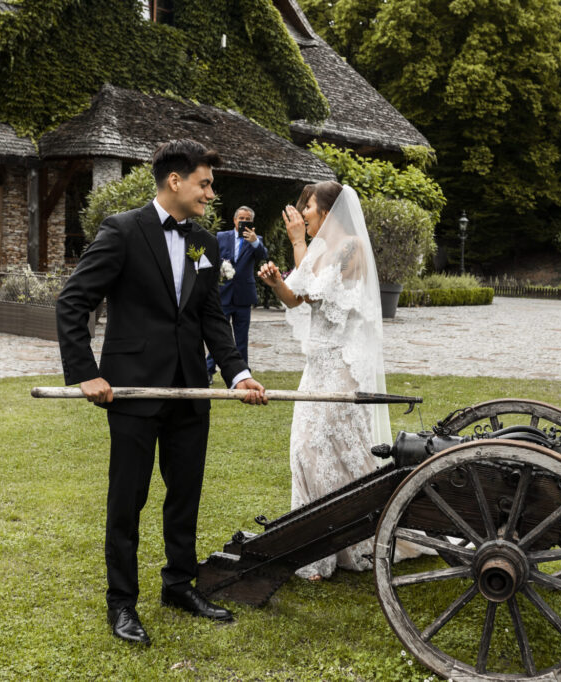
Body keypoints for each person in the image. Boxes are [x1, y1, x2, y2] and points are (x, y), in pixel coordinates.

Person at [56, 139, 268, 647]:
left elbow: (211, 318)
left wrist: (238, 374)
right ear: (176, 180)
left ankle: (178, 585)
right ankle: (121, 602)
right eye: (204, 184)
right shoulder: (122, 231)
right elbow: (73, 301)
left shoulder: (206, 243)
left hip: (190, 389)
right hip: (131, 389)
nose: (210, 194)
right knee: (128, 498)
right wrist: (85, 372)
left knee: (185, 492)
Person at [259, 181, 423, 580]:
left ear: (329, 210)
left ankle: (352, 539)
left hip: (342, 366)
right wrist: (276, 282)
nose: (303, 214)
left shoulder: (352, 247)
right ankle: (314, 546)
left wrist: (297, 244)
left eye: (309, 206)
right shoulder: (318, 249)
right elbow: (295, 296)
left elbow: (316, 292)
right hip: (316, 367)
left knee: (331, 449)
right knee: (305, 449)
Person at [206, 205, 268, 384]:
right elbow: (212, 258)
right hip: (223, 294)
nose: (244, 222)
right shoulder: (221, 237)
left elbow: (263, 255)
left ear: (252, 222)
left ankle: (242, 373)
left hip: (243, 296)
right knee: (219, 336)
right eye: (241, 218)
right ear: (234, 220)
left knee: (242, 338)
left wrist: (254, 242)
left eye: (248, 219)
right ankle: (208, 370)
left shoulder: (256, 239)